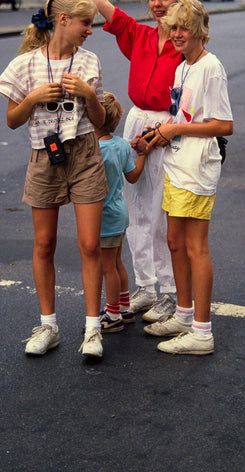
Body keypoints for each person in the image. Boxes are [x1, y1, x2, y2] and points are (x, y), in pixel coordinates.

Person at [41, 0, 187, 323]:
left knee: (161, 211)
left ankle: (170, 292)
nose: (158, 4)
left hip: (169, 124)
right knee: (134, 208)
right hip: (139, 119)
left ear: (180, 1)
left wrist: (169, 129)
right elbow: (98, 0)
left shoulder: (183, 42)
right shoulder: (139, 34)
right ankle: (145, 286)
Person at [0, 0, 109, 359]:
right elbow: (12, 121)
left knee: (90, 245)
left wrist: (88, 94)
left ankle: (93, 329)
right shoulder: (24, 64)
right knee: (44, 244)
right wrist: (32, 98)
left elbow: (101, 121)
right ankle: (48, 326)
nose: (90, 30)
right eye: (85, 23)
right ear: (63, 20)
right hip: (45, 155)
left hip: (85, 153)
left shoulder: (89, 61)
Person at [140, 0, 233, 355]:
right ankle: (183, 314)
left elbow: (224, 124)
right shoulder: (182, 67)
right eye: (173, 27)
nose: (177, 34)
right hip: (176, 164)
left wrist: (175, 130)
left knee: (196, 248)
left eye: (184, 28)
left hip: (196, 169)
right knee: (175, 242)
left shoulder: (211, 67)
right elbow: (182, 116)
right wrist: (156, 135)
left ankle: (202, 332)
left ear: (200, 32)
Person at [95, 92, 147, 333]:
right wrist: (143, 154)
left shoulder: (95, 150)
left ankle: (113, 313)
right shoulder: (120, 145)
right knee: (117, 262)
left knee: (107, 267)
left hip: (104, 215)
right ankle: (125, 308)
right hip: (119, 211)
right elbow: (132, 176)